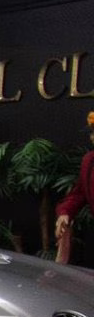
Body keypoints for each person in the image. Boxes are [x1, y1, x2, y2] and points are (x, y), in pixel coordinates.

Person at [54, 112, 94, 265]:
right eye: (92, 133)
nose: (91, 138)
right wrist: (65, 212)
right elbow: (79, 193)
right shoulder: (89, 160)